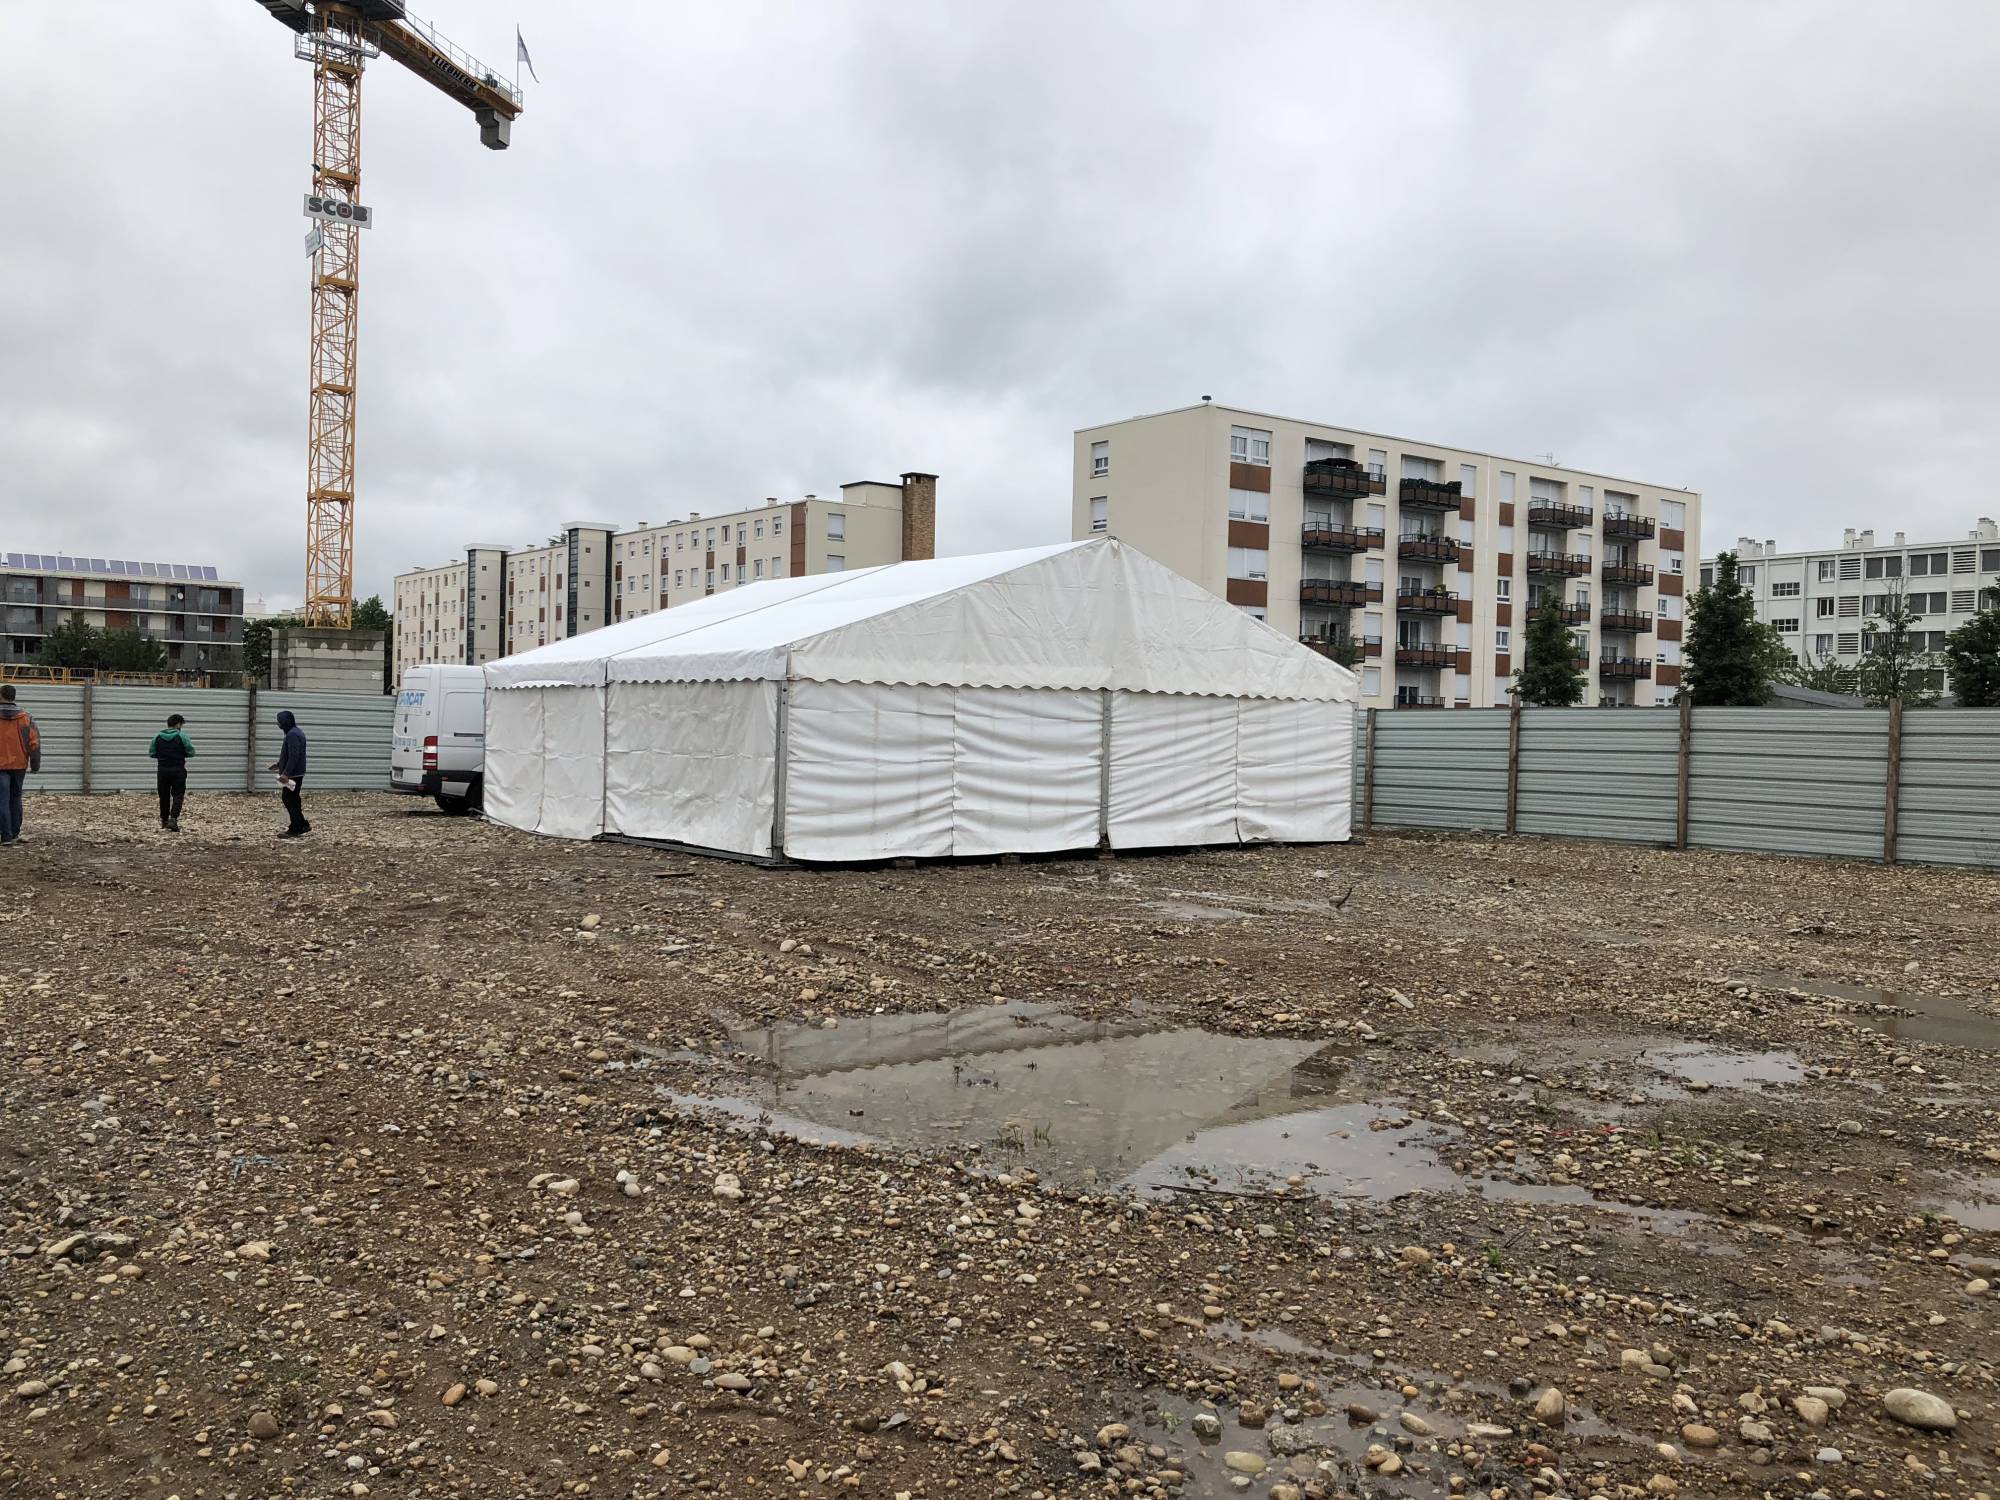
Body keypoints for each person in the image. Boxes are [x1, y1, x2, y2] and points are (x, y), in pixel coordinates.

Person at [0, 684, 40, 846]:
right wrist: (35, 765)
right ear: (14, 697)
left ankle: (6, 836)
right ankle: (15, 833)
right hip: (19, 765)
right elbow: (34, 743)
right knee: (15, 798)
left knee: (2, 799)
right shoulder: (26, 718)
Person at [148, 713, 196, 832]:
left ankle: (164, 820)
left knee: (163, 795)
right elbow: (191, 752)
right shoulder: (182, 736)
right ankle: (173, 819)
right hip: (178, 770)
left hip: (162, 770)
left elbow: (152, 753)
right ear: (178, 724)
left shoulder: (157, 736)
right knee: (178, 795)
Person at [269, 709, 311, 838]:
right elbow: (291, 755)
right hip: (296, 773)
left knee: (288, 799)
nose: (278, 724)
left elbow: (294, 756)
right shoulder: (296, 732)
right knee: (294, 799)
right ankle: (301, 824)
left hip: (293, 774)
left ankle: (296, 827)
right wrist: (278, 765)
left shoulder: (292, 735)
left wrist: (286, 773)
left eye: (279, 721)